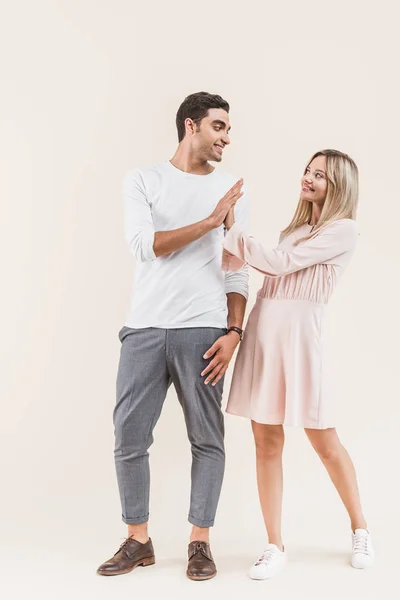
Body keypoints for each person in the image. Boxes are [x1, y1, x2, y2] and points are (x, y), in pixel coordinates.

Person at [97, 92, 250, 581]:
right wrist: (209, 221)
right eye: (219, 127)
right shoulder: (144, 179)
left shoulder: (231, 189)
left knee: (207, 439)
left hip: (204, 329)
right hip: (143, 327)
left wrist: (234, 331)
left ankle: (200, 543)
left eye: (228, 129)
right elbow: (146, 247)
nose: (227, 137)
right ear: (191, 126)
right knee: (129, 437)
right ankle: (137, 539)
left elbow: (237, 270)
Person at [219, 149, 374, 580]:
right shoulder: (297, 229)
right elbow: (263, 266)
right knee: (266, 443)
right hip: (265, 339)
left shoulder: (344, 230)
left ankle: (360, 527)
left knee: (325, 442)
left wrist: (231, 227)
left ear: (339, 185)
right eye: (308, 170)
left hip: (301, 346)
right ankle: (274, 544)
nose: (308, 178)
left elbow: (278, 263)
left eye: (319, 175)